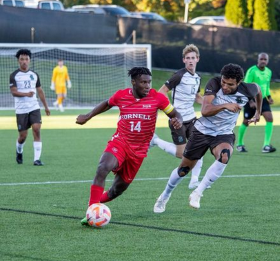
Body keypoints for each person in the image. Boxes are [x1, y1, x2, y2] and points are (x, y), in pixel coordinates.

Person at [76, 67, 183, 225]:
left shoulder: (158, 98)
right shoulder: (121, 95)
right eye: (143, 82)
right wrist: (87, 116)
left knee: (116, 190)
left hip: (139, 151)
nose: (147, 86)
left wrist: (178, 120)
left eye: (149, 82)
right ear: (133, 82)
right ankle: (91, 210)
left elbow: (175, 114)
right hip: (121, 142)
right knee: (103, 166)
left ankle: (97, 206)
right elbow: (106, 104)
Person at [154, 63, 262, 212]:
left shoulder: (248, 89)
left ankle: (198, 193)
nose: (225, 86)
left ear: (239, 82)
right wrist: (225, 105)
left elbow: (258, 91)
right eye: (224, 81)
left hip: (223, 133)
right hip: (202, 131)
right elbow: (205, 110)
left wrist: (258, 112)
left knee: (224, 156)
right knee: (183, 170)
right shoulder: (214, 83)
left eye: (230, 84)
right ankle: (164, 196)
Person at [150, 44, 205, 200]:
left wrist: (209, 105)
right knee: (181, 154)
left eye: (193, 58)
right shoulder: (178, 75)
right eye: (187, 58)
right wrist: (170, 110)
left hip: (192, 118)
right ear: (183, 60)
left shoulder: (197, 78)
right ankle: (156, 141)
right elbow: (161, 92)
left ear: (198, 59)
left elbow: (197, 97)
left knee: (198, 146)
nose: (190, 61)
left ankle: (194, 180)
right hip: (177, 120)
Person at [10, 49, 50, 166]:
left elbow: (40, 91)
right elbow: (13, 92)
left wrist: (46, 107)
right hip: (21, 109)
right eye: (22, 59)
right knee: (23, 136)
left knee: (37, 129)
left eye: (26, 59)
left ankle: (36, 159)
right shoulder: (14, 75)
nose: (24, 62)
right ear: (18, 61)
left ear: (29, 61)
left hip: (34, 107)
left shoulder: (34, 75)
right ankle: (19, 151)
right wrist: (26, 94)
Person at [236, 53, 276, 153]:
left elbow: (266, 86)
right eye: (261, 59)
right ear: (258, 60)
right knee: (246, 121)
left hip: (263, 100)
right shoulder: (251, 71)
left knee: (270, 119)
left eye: (265, 59)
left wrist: (269, 97)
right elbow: (245, 86)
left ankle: (266, 145)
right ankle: (239, 144)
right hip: (251, 99)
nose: (263, 61)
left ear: (267, 61)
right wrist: (250, 101)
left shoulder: (268, 72)